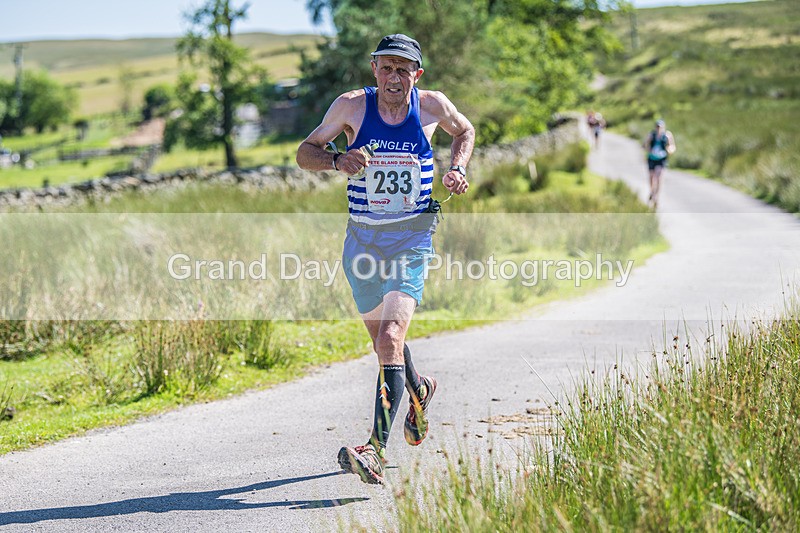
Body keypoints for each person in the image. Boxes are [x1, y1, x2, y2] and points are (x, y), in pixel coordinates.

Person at [296, 34, 475, 484]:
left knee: (392, 337)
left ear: (417, 74)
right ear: (374, 69)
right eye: (386, 68)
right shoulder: (351, 107)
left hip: (412, 238)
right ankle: (419, 387)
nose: (394, 77)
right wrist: (338, 161)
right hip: (362, 243)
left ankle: (373, 450)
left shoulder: (432, 106)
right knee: (382, 344)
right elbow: (304, 153)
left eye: (404, 69)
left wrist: (458, 168)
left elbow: (466, 131)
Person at [644, 119, 676, 209]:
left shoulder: (667, 135)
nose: (659, 129)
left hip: (661, 159)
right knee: (651, 177)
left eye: (660, 127)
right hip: (652, 158)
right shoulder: (651, 135)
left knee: (659, 177)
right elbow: (645, 145)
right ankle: (652, 191)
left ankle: (656, 197)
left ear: (663, 127)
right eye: (657, 127)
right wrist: (648, 148)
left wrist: (669, 150)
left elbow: (672, 146)